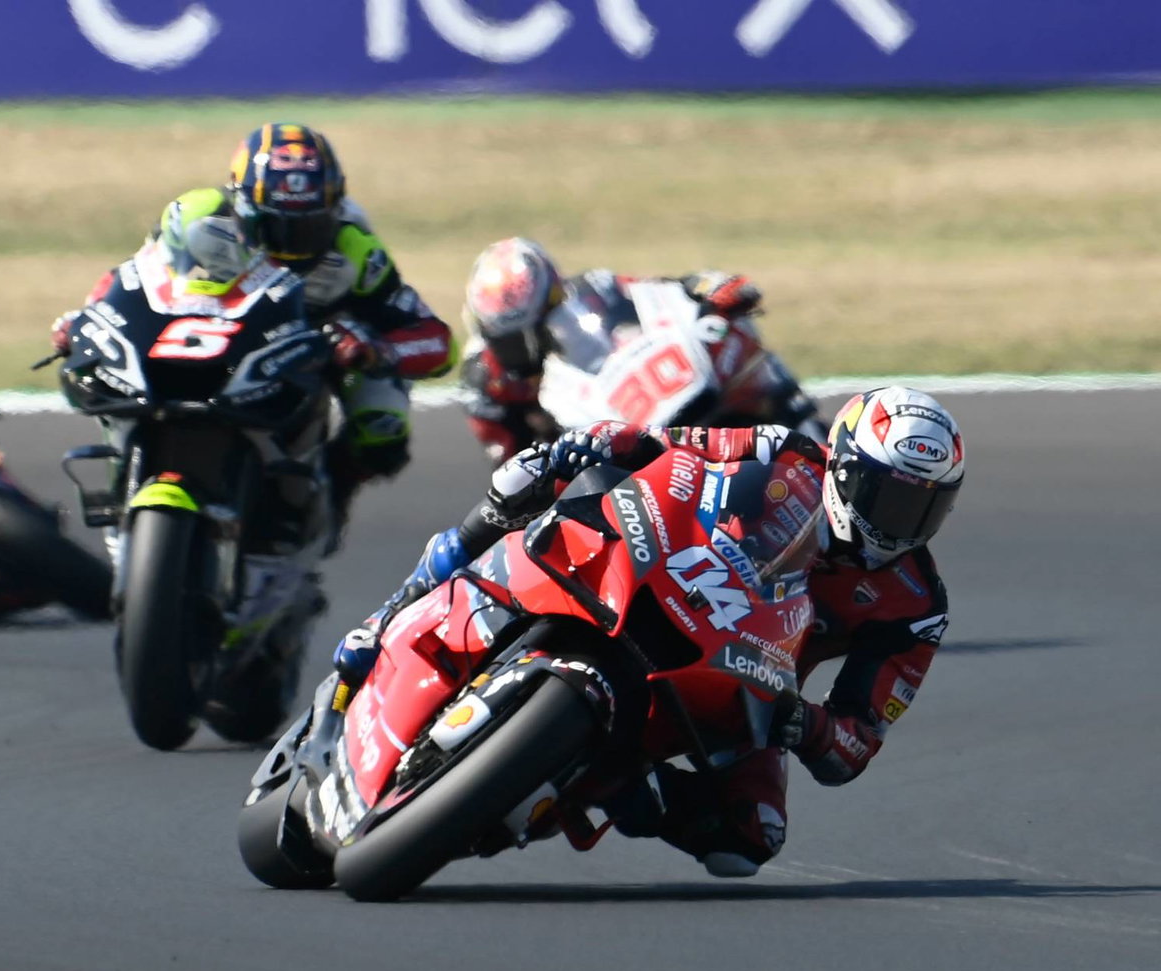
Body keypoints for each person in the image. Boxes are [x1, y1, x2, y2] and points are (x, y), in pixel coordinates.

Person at [332, 385, 963, 878]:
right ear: (845, 469)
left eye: (927, 507)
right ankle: (390, 613)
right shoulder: (782, 450)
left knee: (752, 838)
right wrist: (592, 445)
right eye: (891, 498)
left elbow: (858, 742)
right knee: (524, 480)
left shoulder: (914, 605)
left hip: (749, 686)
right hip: (674, 580)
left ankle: (611, 785)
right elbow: (660, 445)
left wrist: (808, 725)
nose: (904, 523)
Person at [50, 122, 455, 532]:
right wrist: (88, 316)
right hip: (210, 338)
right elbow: (130, 276)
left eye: (309, 225)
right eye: (275, 225)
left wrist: (374, 349)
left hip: (306, 353)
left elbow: (436, 339)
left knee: (382, 426)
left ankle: (325, 506)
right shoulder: (197, 214)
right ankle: (125, 475)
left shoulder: (357, 250)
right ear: (242, 204)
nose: (290, 243)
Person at [459, 236, 825, 465]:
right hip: (584, 457)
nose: (522, 346)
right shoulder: (485, 380)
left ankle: (818, 447)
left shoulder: (591, 290)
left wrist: (706, 288)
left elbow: (654, 291)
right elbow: (509, 467)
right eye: (512, 337)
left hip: (645, 413)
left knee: (739, 348)